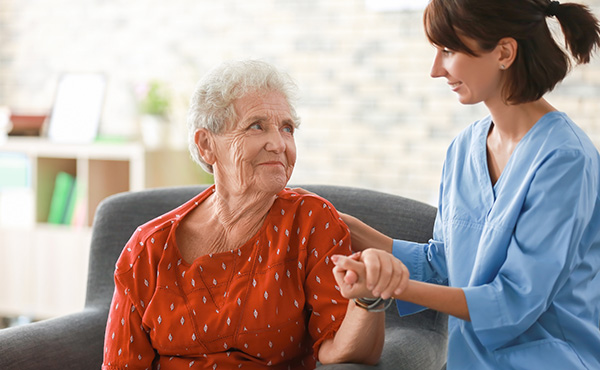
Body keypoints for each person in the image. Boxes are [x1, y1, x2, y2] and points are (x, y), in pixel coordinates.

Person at [329, 0, 600, 369]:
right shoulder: (464, 149)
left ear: (504, 52)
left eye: (448, 50)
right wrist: (339, 222)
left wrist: (386, 284)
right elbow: (443, 264)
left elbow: (515, 300)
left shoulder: (566, 159)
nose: (436, 69)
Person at [101, 60, 385, 370]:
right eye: (256, 126)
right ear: (207, 145)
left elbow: (340, 352)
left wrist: (367, 301)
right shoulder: (148, 248)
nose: (278, 144)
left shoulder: (311, 222)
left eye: (287, 128)